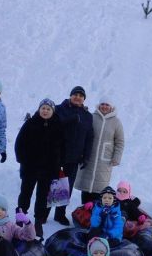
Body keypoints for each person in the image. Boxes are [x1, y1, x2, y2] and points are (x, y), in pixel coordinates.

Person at [14, 97, 63, 240]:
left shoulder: (58, 125)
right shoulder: (30, 123)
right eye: (43, 108)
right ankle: (21, 217)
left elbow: (62, 147)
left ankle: (38, 222)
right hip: (30, 168)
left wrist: (58, 164)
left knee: (42, 197)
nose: (45, 111)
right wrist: (22, 160)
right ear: (39, 109)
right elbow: (19, 144)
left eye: (48, 109)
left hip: (48, 170)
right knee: (25, 193)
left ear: (52, 111)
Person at [53, 85, 94, 225]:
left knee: (67, 187)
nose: (78, 97)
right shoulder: (58, 109)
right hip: (57, 154)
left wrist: (86, 156)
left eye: (81, 96)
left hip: (74, 157)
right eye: (75, 94)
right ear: (70, 96)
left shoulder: (87, 116)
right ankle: (42, 215)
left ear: (84, 99)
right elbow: (53, 126)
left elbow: (90, 138)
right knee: (51, 184)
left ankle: (60, 214)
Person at [74, 96, 124, 204]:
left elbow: (120, 142)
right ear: (99, 105)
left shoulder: (116, 122)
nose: (104, 107)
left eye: (107, 105)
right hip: (89, 157)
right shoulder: (92, 117)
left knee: (100, 187)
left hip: (105, 159)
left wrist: (116, 157)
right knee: (86, 186)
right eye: (102, 104)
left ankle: (96, 212)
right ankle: (84, 211)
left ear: (111, 107)